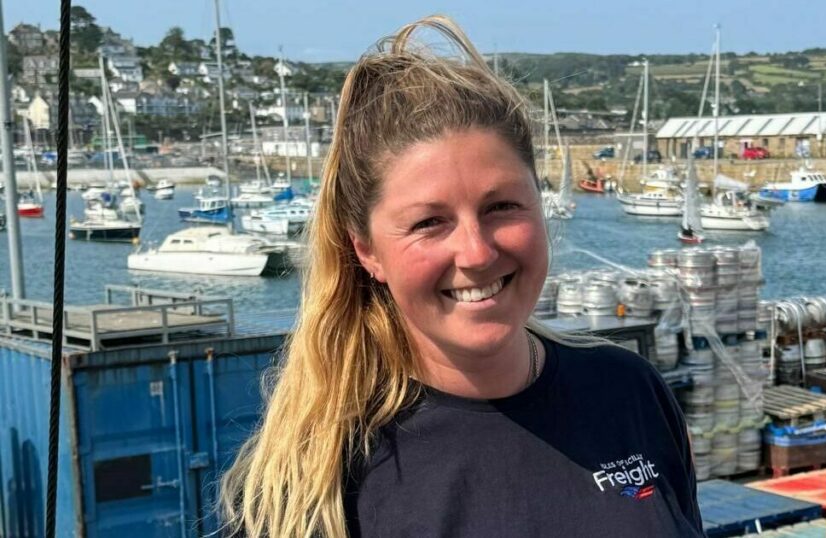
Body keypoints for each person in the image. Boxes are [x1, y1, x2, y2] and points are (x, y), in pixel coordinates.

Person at [220, 15, 704, 537]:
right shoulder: (314, 488)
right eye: (430, 222)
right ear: (366, 250)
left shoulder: (628, 391)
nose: (475, 252)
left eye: (501, 206)